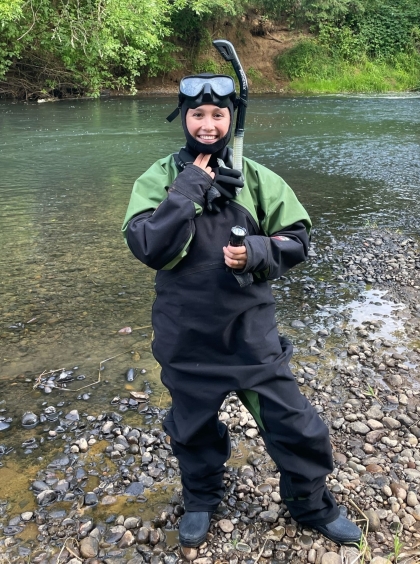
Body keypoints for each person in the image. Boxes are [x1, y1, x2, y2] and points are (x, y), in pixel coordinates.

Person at [122, 73, 362, 548]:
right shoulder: (159, 177)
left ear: (232, 118)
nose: (207, 124)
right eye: (197, 114)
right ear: (183, 118)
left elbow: (297, 239)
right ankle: (201, 499)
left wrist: (256, 252)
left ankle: (310, 504)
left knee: (298, 425)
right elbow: (146, 244)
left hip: (252, 336)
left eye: (218, 114)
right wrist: (188, 190)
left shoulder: (256, 178)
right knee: (191, 431)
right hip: (185, 337)